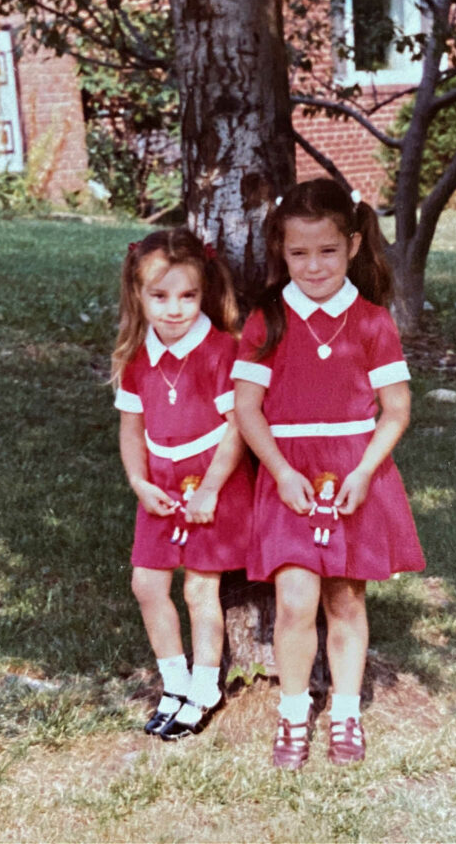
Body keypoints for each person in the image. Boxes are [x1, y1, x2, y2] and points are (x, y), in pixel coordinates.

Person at [233, 179, 425, 769]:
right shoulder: (268, 320)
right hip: (289, 473)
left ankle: (345, 712)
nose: (313, 266)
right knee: (294, 600)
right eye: (298, 254)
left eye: (327, 252)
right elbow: (245, 408)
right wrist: (282, 473)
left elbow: (396, 410)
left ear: (354, 244)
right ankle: (293, 715)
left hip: (351, 473)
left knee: (345, 599)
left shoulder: (371, 322)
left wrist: (367, 471)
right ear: (280, 252)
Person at [112, 228, 253, 741]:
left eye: (187, 296)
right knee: (146, 584)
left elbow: (238, 425)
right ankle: (172, 681)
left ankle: (204, 687)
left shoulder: (220, 351)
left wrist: (213, 487)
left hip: (210, 483)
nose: (174, 309)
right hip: (160, 487)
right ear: (138, 295)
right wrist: (138, 482)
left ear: (204, 293)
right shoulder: (135, 356)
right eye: (160, 296)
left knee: (199, 588)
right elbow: (131, 427)